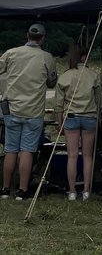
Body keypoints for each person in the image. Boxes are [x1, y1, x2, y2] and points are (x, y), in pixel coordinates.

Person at [0, 24, 57, 200]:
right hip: (33, 110)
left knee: (10, 149)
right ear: (43, 38)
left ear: (27, 36)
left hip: (12, 108)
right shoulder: (47, 57)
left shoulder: (11, 53)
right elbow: (52, 82)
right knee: (27, 150)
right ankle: (22, 190)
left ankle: (5, 188)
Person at [54, 45, 99, 201]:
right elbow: (98, 101)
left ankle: (72, 191)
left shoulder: (65, 76)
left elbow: (58, 104)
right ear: (83, 57)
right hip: (89, 116)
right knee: (87, 155)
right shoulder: (93, 75)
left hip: (71, 117)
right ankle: (86, 191)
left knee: (72, 156)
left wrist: (59, 123)